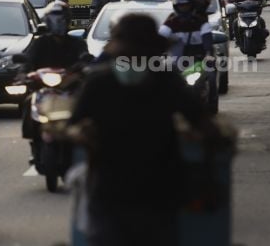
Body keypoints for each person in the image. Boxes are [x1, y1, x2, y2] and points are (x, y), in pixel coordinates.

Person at [68, 13, 213, 246]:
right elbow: (204, 124)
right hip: (124, 191)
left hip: (150, 192)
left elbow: (201, 121)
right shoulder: (100, 82)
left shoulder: (164, 80)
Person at [19, 0, 90, 157]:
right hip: (45, 88)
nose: (58, 23)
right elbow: (28, 60)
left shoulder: (77, 43)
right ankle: (34, 136)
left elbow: (85, 59)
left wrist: (84, 66)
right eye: (54, 19)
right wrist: (23, 73)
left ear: (68, 21)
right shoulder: (40, 43)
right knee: (28, 101)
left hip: (70, 88)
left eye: (62, 19)